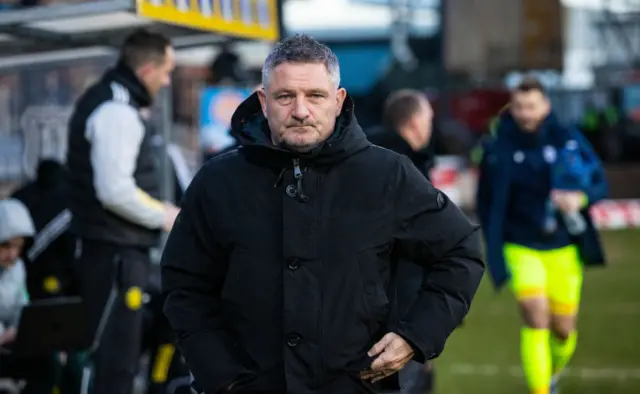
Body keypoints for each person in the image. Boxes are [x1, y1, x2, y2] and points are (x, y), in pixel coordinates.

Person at [162, 34, 484, 394]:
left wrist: (415, 335)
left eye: (315, 95)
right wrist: (219, 375)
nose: (301, 111)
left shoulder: (386, 174)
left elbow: (461, 251)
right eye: (286, 97)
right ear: (264, 102)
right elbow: (184, 284)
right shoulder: (217, 182)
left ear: (338, 99)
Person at [476, 77, 608, 394]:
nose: (525, 113)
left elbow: (599, 182)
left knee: (563, 330)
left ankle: (553, 373)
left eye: (532, 106)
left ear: (545, 106)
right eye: (520, 106)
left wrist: (582, 197)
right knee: (536, 317)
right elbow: (485, 200)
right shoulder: (498, 147)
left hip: (564, 248)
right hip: (520, 247)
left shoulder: (568, 139)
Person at [66, 28, 180, 394]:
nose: (167, 80)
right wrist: (166, 216)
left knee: (118, 359)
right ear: (147, 70)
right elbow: (114, 191)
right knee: (113, 362)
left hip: (114, 252)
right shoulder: (117, 110)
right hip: (112, 255)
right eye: (166, 71)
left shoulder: (116, 103)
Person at [367, 89, 436, 394]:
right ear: (414, 121)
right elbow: (421, 244)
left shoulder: (361, 155)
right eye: (429, 119)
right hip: (399, 303)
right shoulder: (407, 169)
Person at [0, 198, 57, 394]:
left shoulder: (17, 269)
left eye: (18, 247)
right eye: (6, 246)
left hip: (9, 345)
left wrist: (21, 330)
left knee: (48, 362)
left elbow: (22, 305)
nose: (12, 254)